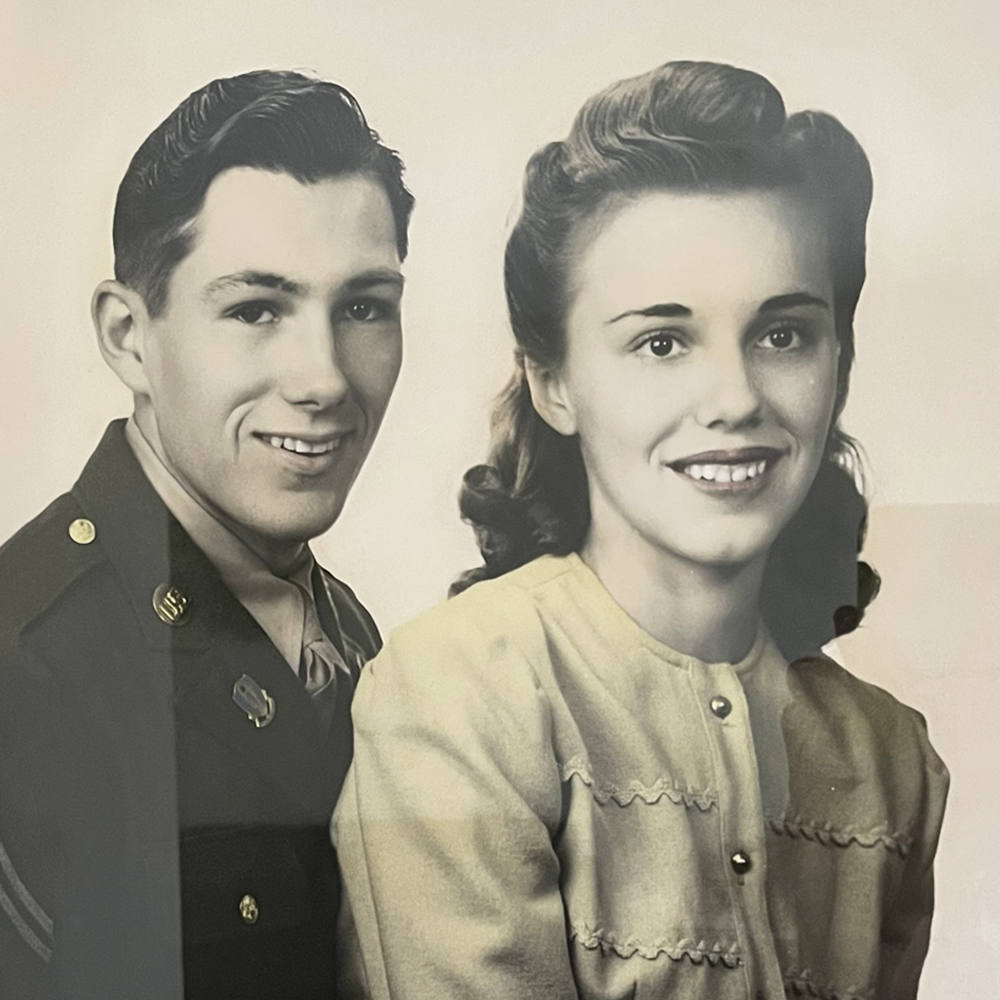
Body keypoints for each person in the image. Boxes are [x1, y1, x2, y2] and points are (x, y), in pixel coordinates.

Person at [333, 61, 949, 999]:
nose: (735, 400)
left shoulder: (887, 758)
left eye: (783, 334)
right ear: (554, 383)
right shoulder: (458, 700)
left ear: (840, 362)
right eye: (662, 342)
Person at [0, 70, 413, 999]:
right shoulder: (21, 665)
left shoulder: (352, 631)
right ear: (127, 336)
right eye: (255, 309)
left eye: (363, 307)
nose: (325, 379)